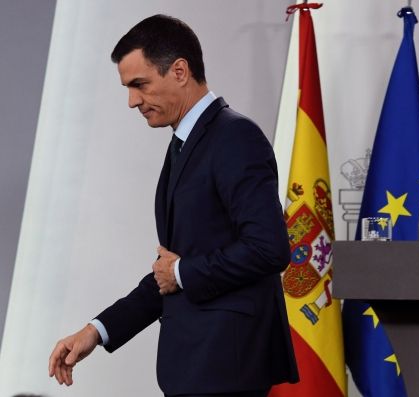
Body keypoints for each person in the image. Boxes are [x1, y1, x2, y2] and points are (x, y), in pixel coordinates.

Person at [48, 14, 298, 397]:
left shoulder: (235, 137)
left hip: (225, 370)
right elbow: (172, 273)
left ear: (180, 71)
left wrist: (180, 273)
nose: (132, 101)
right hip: (197, 370)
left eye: (140, 85)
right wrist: (95, 331)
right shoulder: (185, 143)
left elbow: (269, 248)